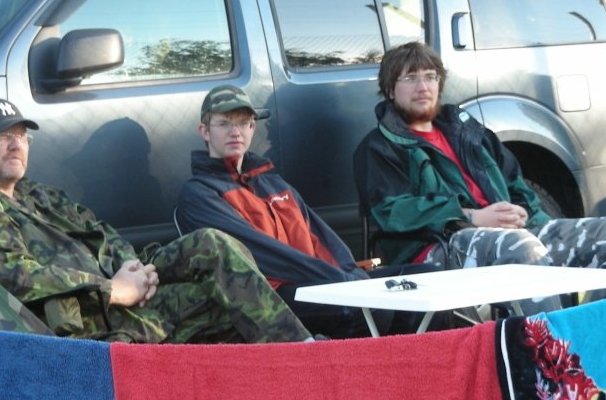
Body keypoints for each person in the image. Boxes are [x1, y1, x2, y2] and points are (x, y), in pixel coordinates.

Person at [0, 98, 314, 344]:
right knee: (229, 301)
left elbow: (99, 229)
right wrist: (112, 288)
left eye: (22, 137)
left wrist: (132, 268)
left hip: (126, 291)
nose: (16, 145)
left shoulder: (36, 193)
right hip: (96, 320)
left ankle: (302, 350)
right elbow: (13, 276)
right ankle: (302, 358)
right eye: (2, 137)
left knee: (212, 245)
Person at [354, 42, 606, 315]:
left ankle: (602, 337)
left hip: (512, 235)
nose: (423, 87)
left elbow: (517, 185)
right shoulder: (379, 147)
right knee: (520, 247)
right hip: (437, 248)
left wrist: (524, 213)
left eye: (430, 77)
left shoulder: (468, 132)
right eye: (410, 78)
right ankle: (552, 349)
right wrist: (471, 216)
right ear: (390, 90)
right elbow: (393, 212)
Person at [177, 85, 431, 338]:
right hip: (270, 297)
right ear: (205, 131)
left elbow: (321, 238)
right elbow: (261, 255)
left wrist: (351, 273)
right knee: (374, 309)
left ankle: (412, 362)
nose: (235, 132)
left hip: (319, 281)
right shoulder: (199, 194)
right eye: (224, 124)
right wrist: (340, 281)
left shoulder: (273, 183)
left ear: (253, 128)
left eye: (243, 123)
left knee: (426, 280)